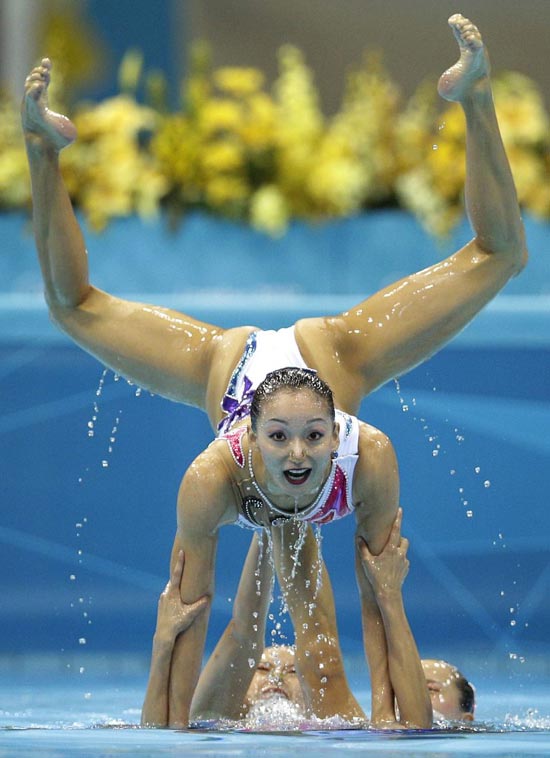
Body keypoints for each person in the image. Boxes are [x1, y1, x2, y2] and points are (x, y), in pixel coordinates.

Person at [21, 13, 525, 728]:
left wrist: (387, 597)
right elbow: (174, 688)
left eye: (314, 440)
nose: (296, 455)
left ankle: (475, 97)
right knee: (71, 307)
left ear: (335, 434)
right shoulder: (210, 479)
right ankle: (42, 152)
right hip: (227, 368)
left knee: (501, 255)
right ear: (248, 437)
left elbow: (393, 705)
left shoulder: (368, 454)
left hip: (333, 359)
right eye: (280, 441)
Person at [142, 509, 433, 729]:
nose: (277, 677)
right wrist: (163, 640)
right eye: (263, 667)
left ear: (308, 691)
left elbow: (318, 652)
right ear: (240, 684)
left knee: (323, 658)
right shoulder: (210, 719)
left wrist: (268, 514)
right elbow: (244, 634)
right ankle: (283, 501)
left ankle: (279, 499)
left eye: (295, 671)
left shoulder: (339, 725)